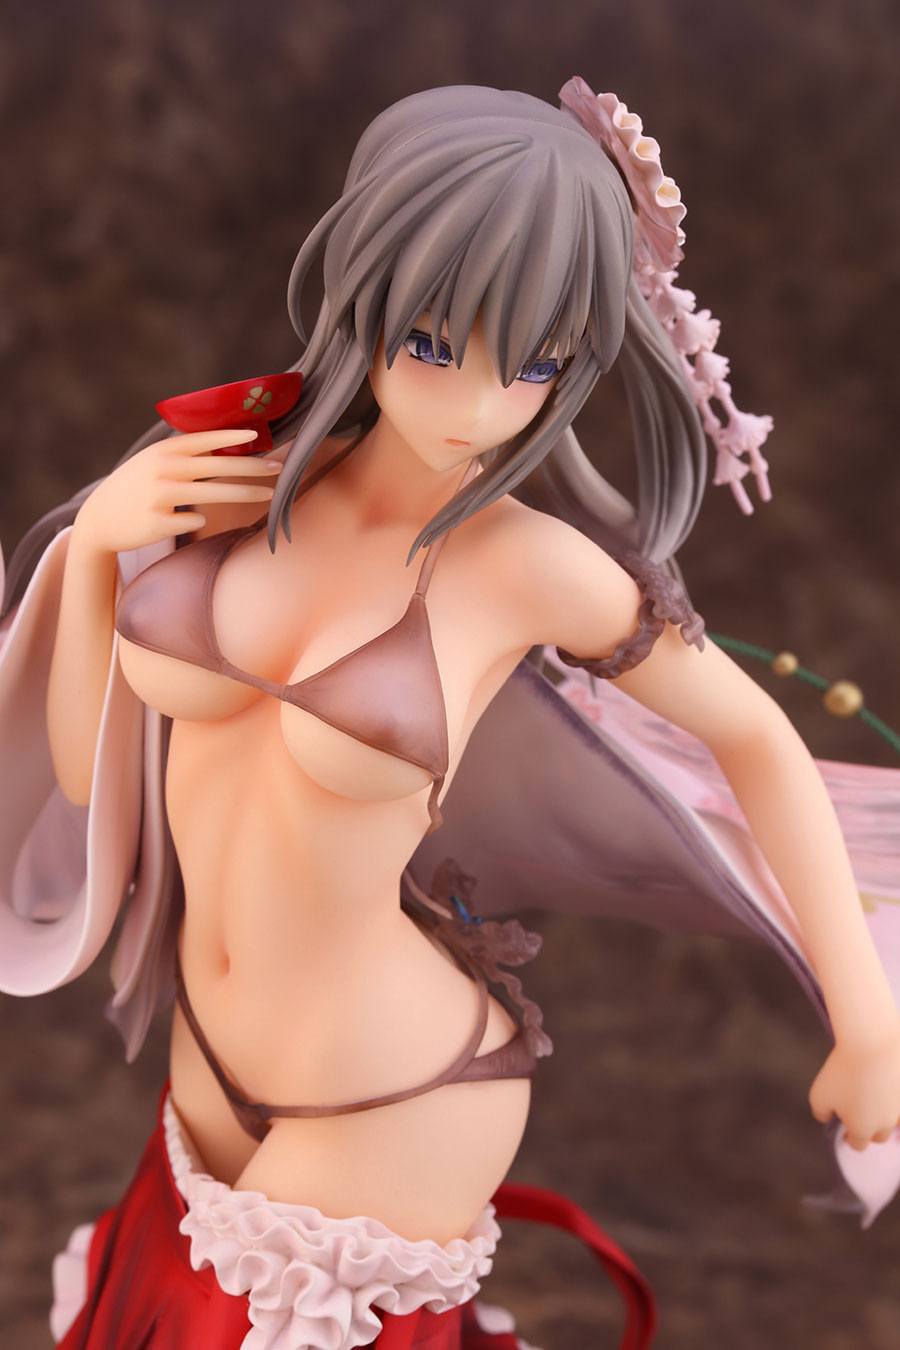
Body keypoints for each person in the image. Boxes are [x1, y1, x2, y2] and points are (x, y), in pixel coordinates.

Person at [2, 78, 899, 1350]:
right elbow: (92, 778)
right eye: (432, 342)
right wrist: (99, 546)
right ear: (365, 291)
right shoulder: (227, 479)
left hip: (395, 1098)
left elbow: (755, 735)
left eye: (534, 366)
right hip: (205, 1063)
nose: (474, 409)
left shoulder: (526, 568)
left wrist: (869, 1022)